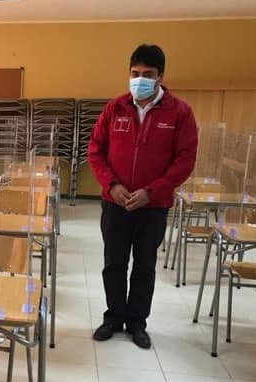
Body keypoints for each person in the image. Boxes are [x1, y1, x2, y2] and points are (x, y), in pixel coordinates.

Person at [87, 44, 198, 349]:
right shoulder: (115, 108)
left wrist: (152, 192)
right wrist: (111, 185)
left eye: (148, 74)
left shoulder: (180, 113)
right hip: (116, 203)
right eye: (135, 73)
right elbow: (95, 151)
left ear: (160, 76)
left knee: (144, 266)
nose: (140, 80)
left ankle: (137, 323)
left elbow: (184, 160)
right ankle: (113, 318)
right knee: (114, 263)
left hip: (153, 206)